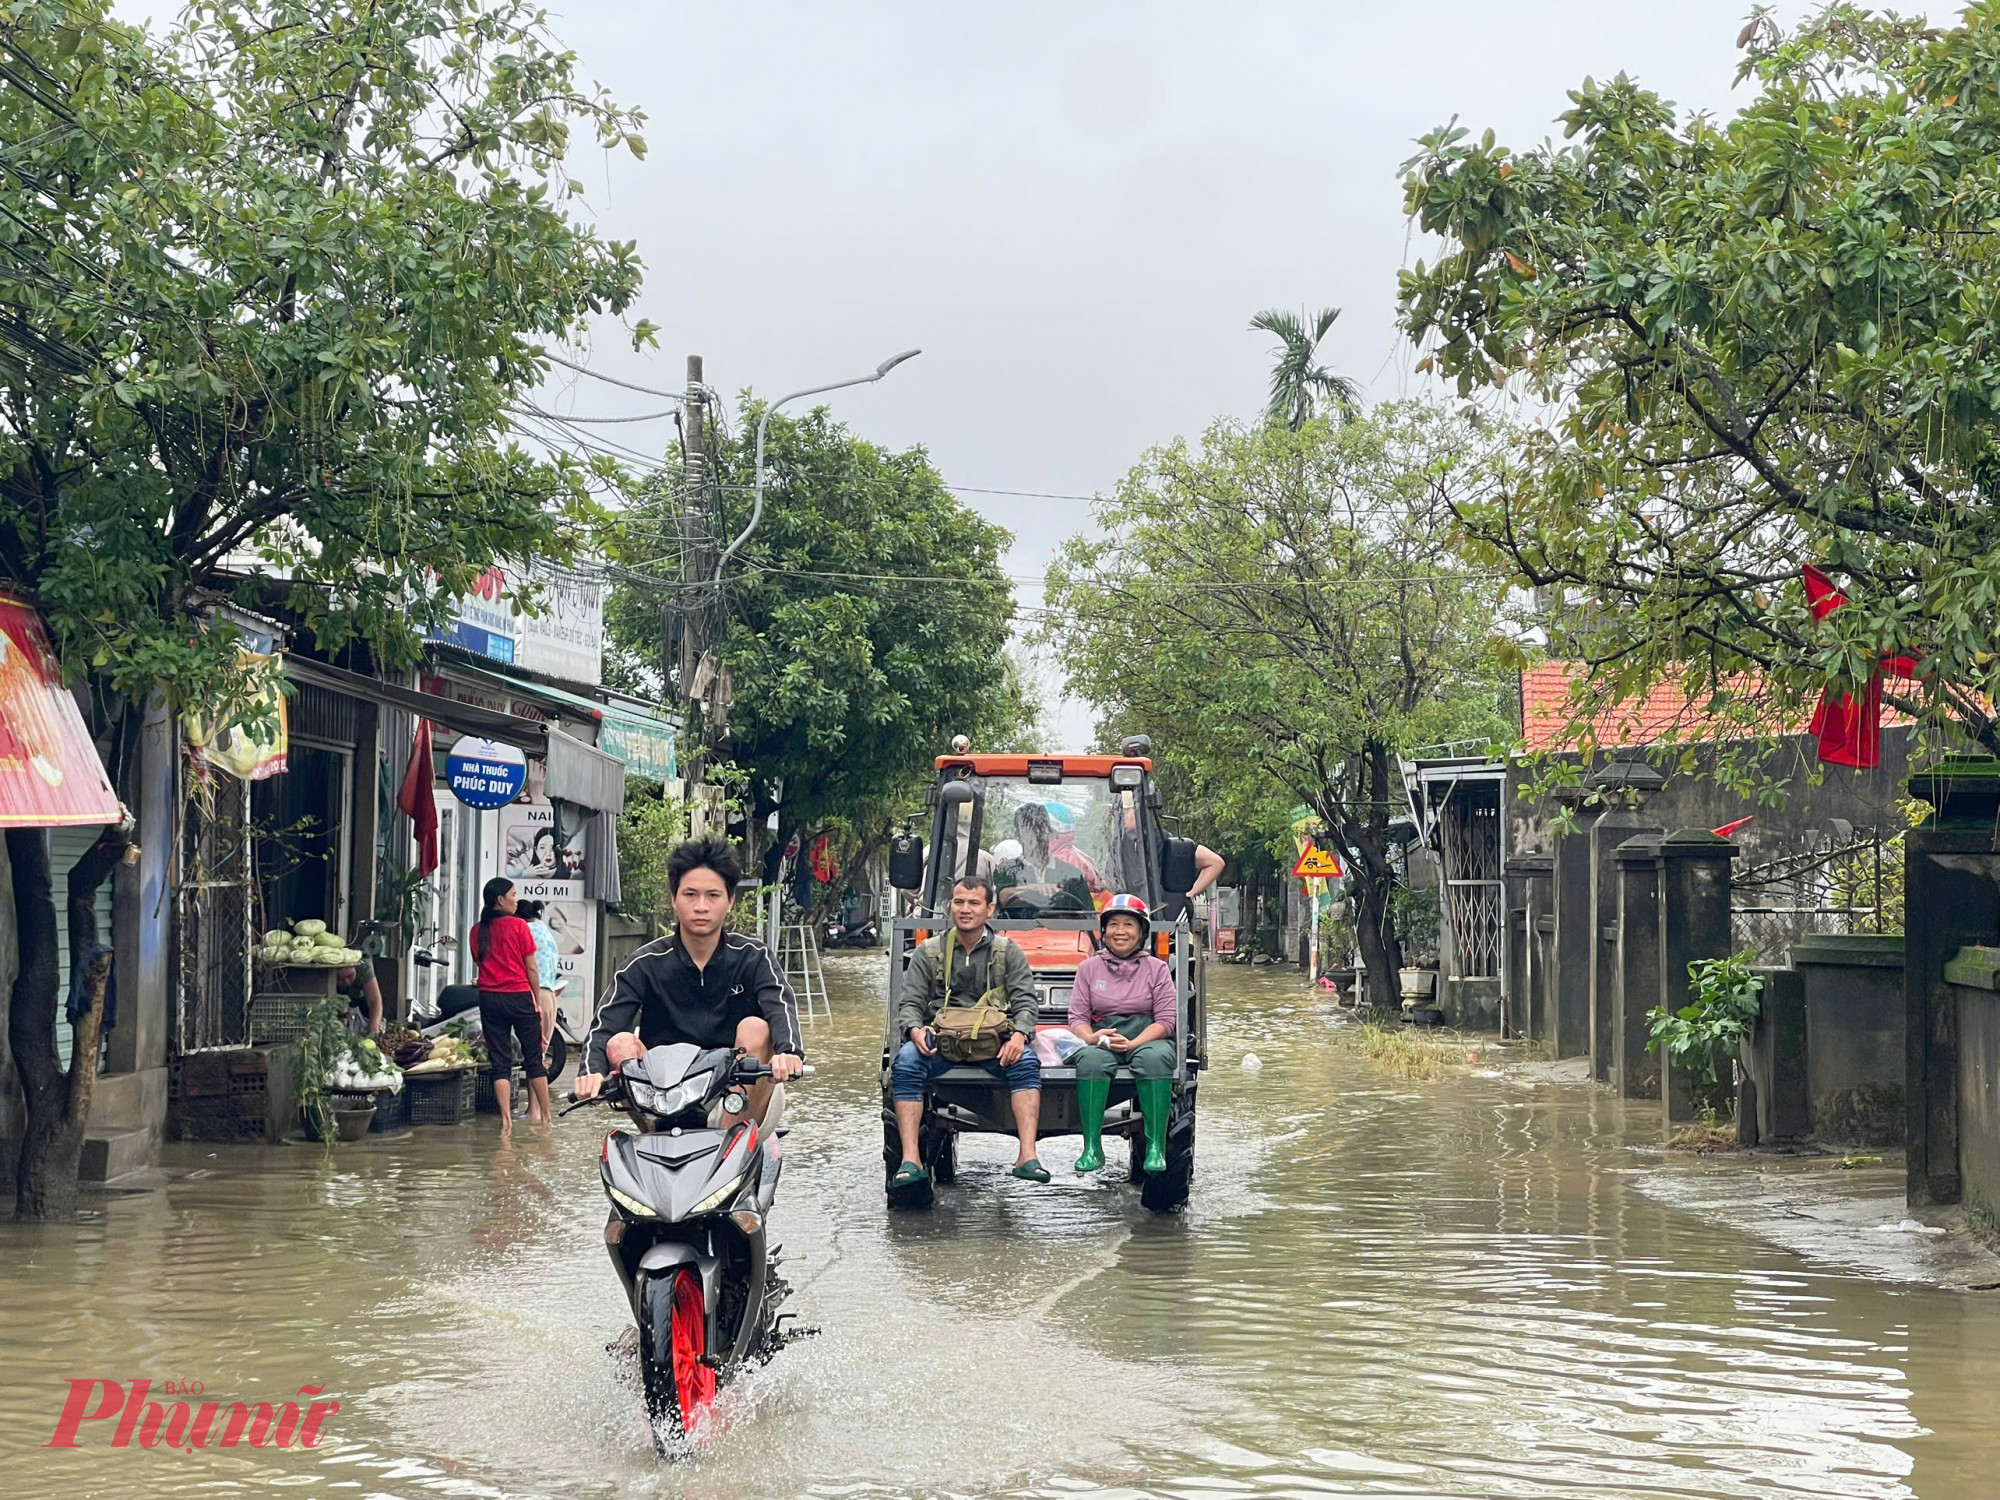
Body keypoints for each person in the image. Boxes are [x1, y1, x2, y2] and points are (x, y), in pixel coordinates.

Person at [575, 835, 804, 1122]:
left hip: (735, 1096)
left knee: (756, 1027)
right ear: (674, 899)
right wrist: (591, 1073)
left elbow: (780, 1006)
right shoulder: (644, 964)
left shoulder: (754, 956)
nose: (701, 906)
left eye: (713, 895)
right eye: (690, 894)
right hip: (662, 1097)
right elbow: (603, 1027)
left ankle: (730, 1140)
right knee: (620, 1043)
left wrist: (789, 1053)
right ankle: (654, 1137)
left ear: (730, 901)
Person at [890, 873, 1048, 1186]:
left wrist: (1019, 1036)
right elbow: (910, 1004)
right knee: (906, 1063)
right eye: (959, 902)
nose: (965, 909)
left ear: (989, 909)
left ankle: (1027, 1156)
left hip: (993, 1044)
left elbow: (1027, 1004)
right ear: (950, 907)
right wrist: (914, 1031)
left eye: (974, 903)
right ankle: (910, 1159)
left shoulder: (1007, 952)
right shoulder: (929, 952)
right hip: (941, 1043)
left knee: (1027, 1063)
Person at [1068, 894, 1177, 1175]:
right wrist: (1092, 1038)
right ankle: (1092, 1147)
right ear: (1103, 931)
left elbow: (1166, 1020)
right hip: (1103, 1035)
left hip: (1146, 1036)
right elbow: (1077, 1018)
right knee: (1090, 1061)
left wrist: (1134, 1043)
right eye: (1113, 924)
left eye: (1128, 924)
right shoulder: (1088, 968)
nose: (1120, 932)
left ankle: (1155, 1148)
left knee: (1156, 1060)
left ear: (1141, 931)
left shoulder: (1158, 968)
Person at [471, 876, 552, 1135]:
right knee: (534, 1059)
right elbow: (532, 968)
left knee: (500, 1062)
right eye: (514, 895)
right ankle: (546, 1118)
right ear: (500, 900)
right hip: (518, 996)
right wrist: (537, 1000)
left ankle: (505, 1121)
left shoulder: (477, 931)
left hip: (489, 999)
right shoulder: (519, 927)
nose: (516, 900)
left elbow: (480, 963)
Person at [992, 803, 1093, 915]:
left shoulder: (1072, 874)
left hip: (1063, 931)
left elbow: (1089, 916)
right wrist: (1034, 888)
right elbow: (1002, 897)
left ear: (1050, 833)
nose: (1036, 836)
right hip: (1014, 930)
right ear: (1018, 835)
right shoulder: (1006, 870)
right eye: (1028, 831)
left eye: (1040, 829)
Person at [517, 899, 560, 1069]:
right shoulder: (543, 929)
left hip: (536, 994)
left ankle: (534, 1096)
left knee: (533, 1060)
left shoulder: (525, 930)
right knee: (538, 1056)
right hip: (550, 994)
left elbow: (530, 967)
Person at [337, 953, 383, 1036]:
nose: (346, 982)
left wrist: (374, 1029)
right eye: (340, 979)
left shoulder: (363, 967)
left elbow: (375, 1001)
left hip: (359, 1001)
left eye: (349, 976)